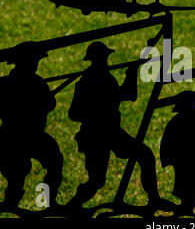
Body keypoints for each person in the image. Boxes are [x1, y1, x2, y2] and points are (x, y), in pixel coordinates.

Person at [67, 41, 164, 208]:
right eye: (103, 57)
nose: (105, 60)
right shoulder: (90, 80)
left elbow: (125, 95)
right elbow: (74, 113)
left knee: (145, 156)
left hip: (111, 132)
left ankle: (154, 200)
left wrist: (131, 74)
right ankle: (73, 206)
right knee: (97, 181)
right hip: (96, 134)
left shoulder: (104, 78)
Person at [0, 41, 63, 207]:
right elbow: (50, 104)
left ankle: (45, 201)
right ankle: (24, 203)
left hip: (26, 136)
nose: (35, 65)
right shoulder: (31, 84)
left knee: (53, 162)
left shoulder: (4, 84)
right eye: (34, 61)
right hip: (17, 136)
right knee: (18, 173)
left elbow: (49, 104)